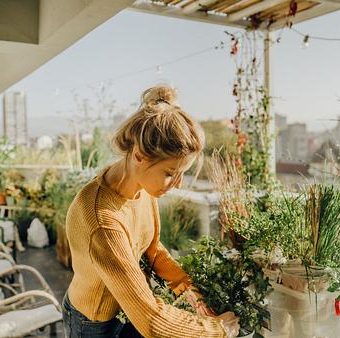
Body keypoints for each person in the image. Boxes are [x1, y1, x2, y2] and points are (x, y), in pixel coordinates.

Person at [62, 86, 240, 338]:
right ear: (139, 156)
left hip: (126, 308)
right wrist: (217, 330)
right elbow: (151, 321)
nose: (177, 183)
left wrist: (191, 294)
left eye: (181, 173)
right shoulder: (102, 218)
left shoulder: (141, 187)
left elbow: (153, 249)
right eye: (170, 173)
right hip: (92, 321)